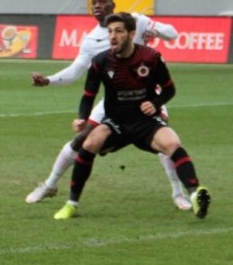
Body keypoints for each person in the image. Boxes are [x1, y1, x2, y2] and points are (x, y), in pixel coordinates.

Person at [26, 0, 190, 210]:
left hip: (146, 97)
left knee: (164, 142)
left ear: (113, 5)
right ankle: (50, 185)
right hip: (114, 100)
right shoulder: (91, 40)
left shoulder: (136, 21)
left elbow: (172, 34)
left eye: (102, 2)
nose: (97, 5)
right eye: (94, 2)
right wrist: (48, 80)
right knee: (81, 141)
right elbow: (76, 71)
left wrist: (155, 30)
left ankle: (178, 193)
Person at [54, 12, 210, 220]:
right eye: (110, 32)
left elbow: (169, 90)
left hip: (145, 123)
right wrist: (82, 117)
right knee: (89, 142)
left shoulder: (151, 58)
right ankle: (71, 204)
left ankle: (194, 196)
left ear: (131, 34)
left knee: (173, 143)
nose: (112, 36)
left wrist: (155, 103)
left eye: (119, 31)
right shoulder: (100, 62)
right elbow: (88, 95)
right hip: (116, 123)